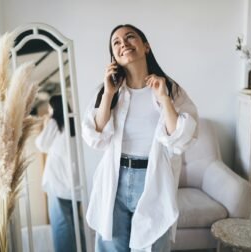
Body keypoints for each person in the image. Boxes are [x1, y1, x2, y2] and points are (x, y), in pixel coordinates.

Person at [82, 24, 198, 252]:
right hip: (115, 181)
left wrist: (163, 98)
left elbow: (181, 140)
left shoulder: (171, 90)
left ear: (146, 46)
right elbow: (96, 138)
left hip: (153, 180)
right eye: (116, 42)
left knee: (152, 246)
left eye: (130, 37)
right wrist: (108, 94)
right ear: (114, 55)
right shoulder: (108, 91)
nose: (123, 43)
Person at [35, 95, 85, 252]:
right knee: (76, 225)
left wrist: (47, 122)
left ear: (54, 109)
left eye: (50, 108)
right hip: (74, 185)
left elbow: (41, 144)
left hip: (58, 184)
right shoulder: (75, 124)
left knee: (61, 226)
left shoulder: (55, 123)